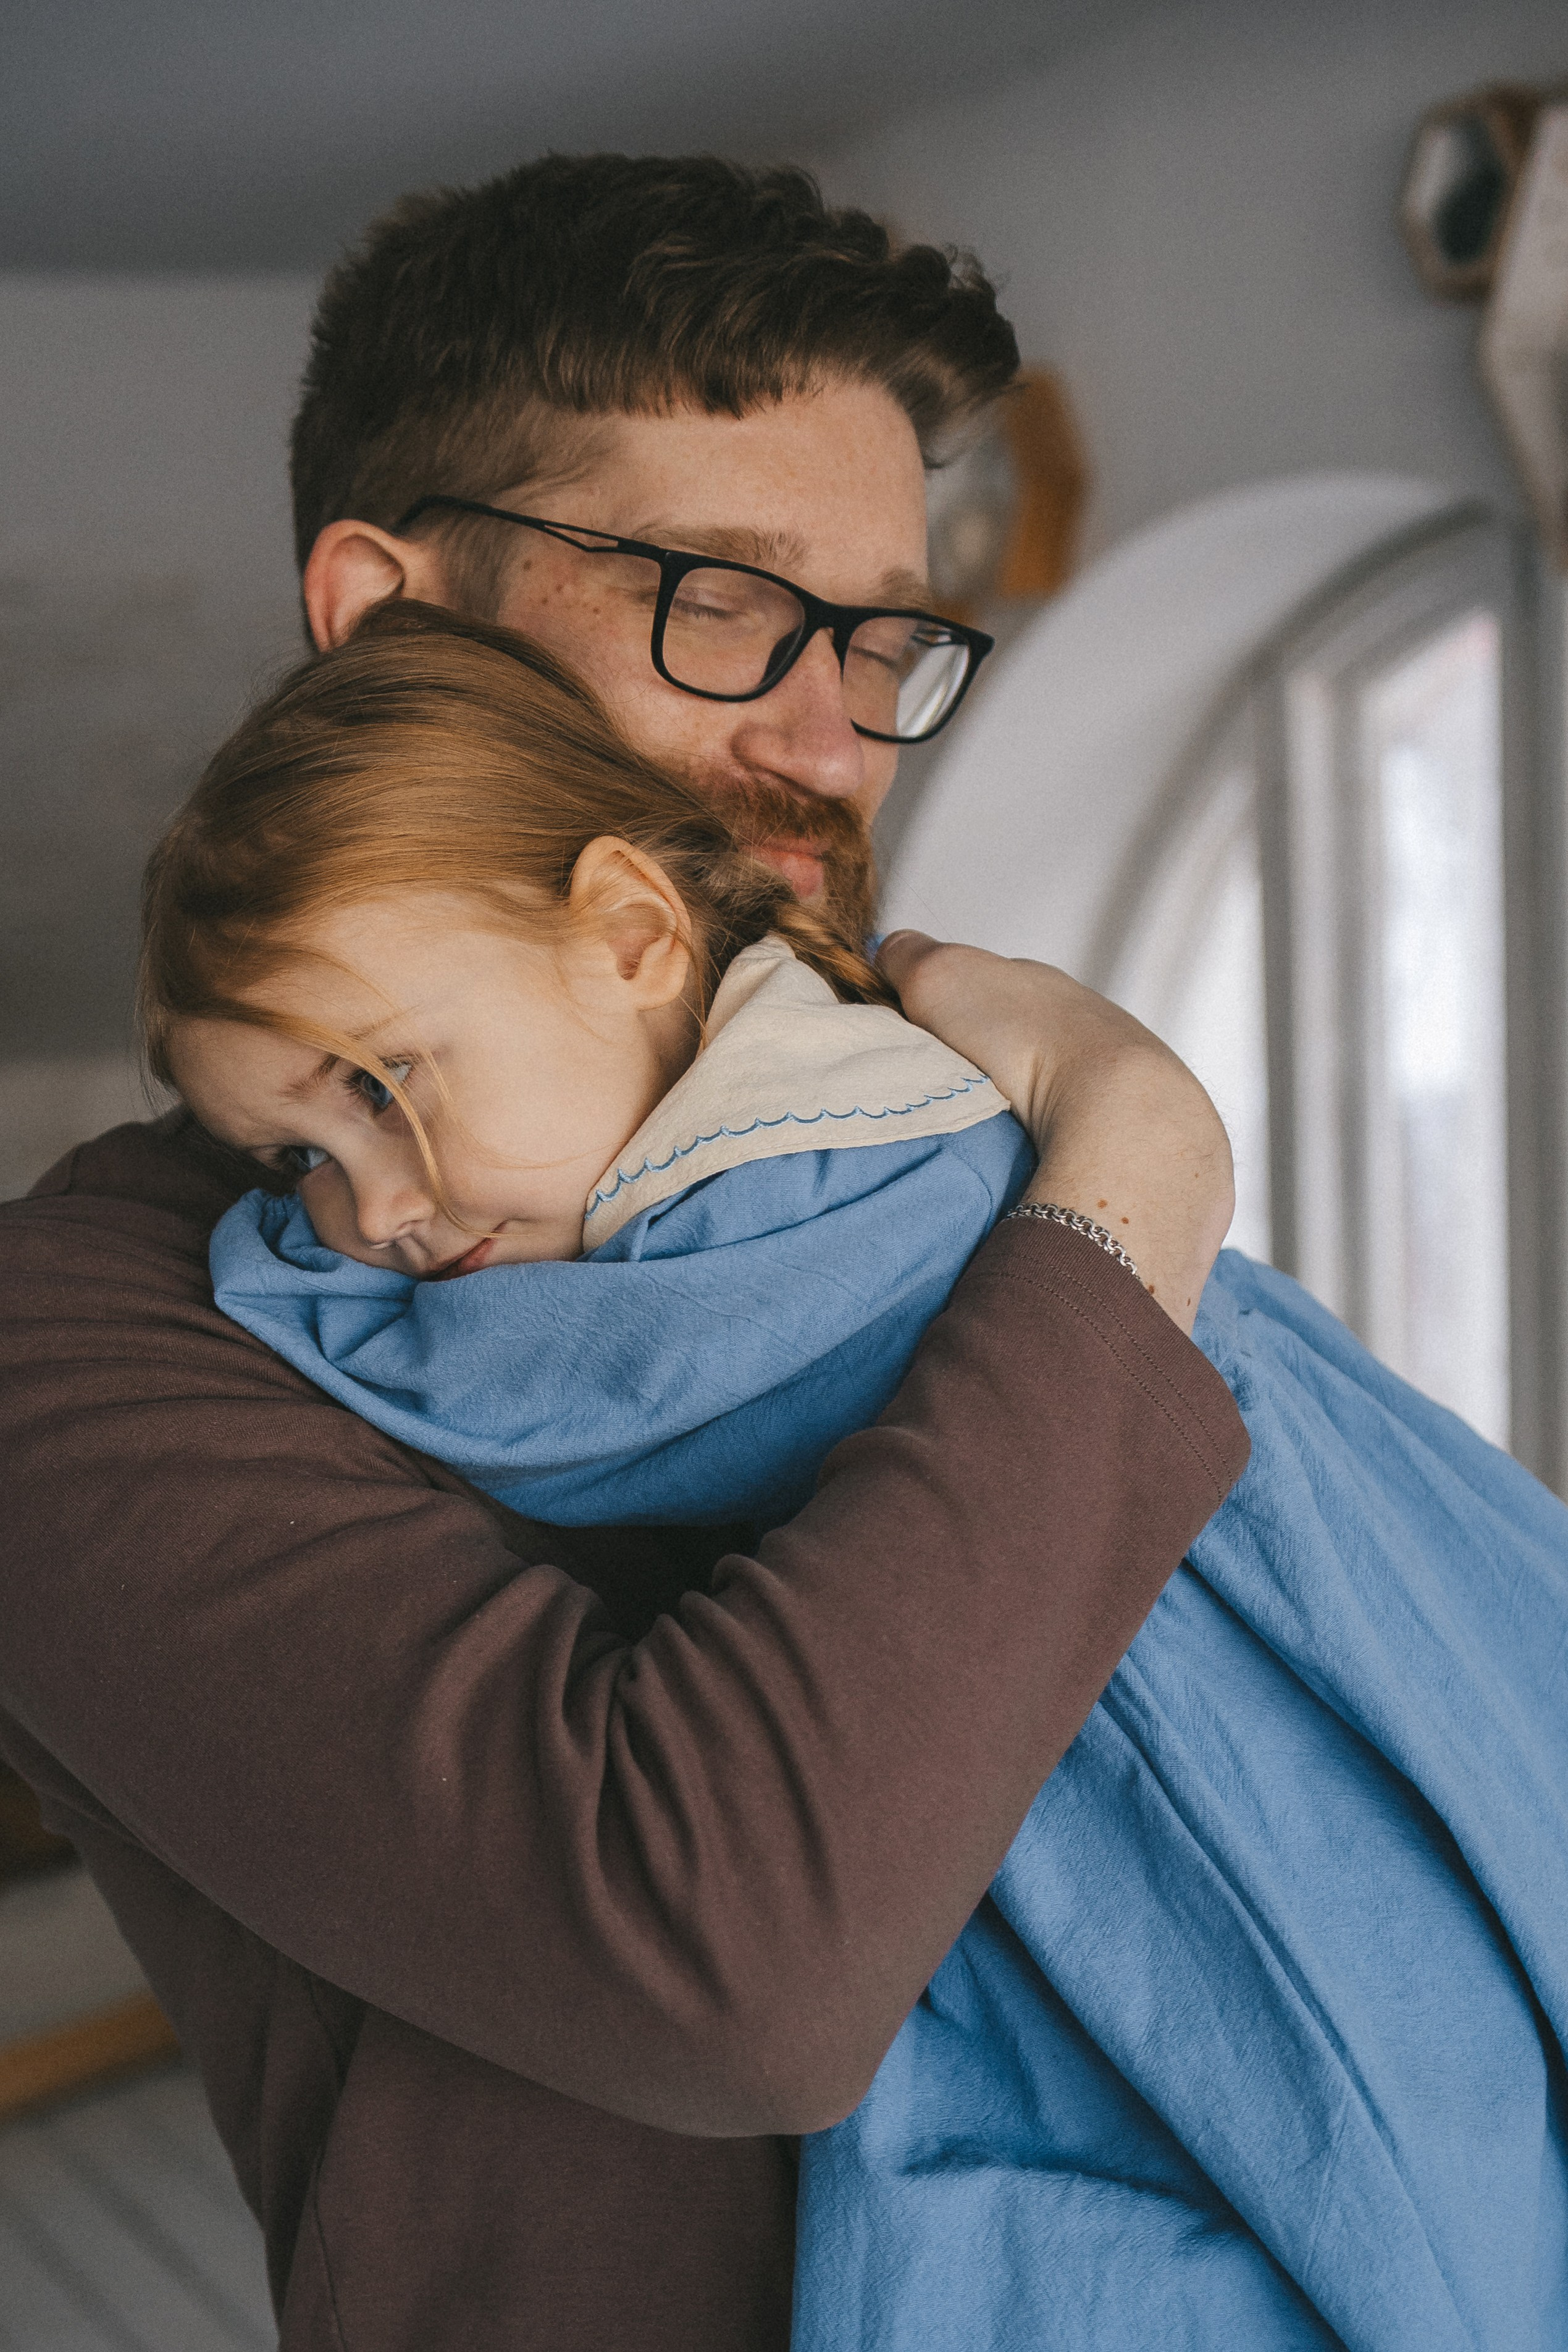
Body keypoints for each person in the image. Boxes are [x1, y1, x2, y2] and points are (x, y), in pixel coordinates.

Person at [0, 157, 1247, 2350]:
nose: (825, 734)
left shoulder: (902, 1136)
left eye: (882, 638)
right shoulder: (93, 1330)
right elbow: (724, 1964)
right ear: (388, 615)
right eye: (727, 603)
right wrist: (1134, 1160)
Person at [150, 602, 1568, 2351]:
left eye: (384, 1085)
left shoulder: (803, 1189)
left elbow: (564, 1393)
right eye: (293, 1158)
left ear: (628, 934)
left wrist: (282, 1293)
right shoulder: (875, 1096)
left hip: (1196, 1694)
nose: (365, 1215)